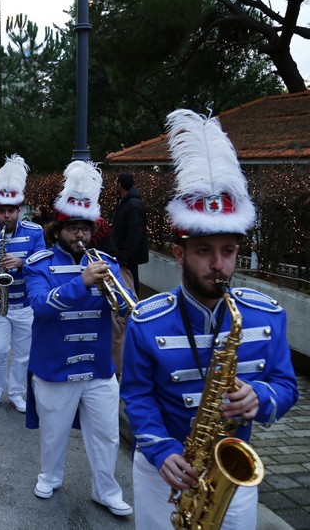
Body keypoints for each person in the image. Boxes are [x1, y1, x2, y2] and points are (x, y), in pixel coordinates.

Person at [120, 109, 298, 529]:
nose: (219, 265)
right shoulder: (146, 320)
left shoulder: (267, 315)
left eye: (228, 251)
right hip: (163, 471)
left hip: (232, 477)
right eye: (204, 251)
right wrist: (161, 450)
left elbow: (286, 385)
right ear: (180, 253)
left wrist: (262, 397)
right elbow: (137, 396)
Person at [23, 160, 134, 516]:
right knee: (54, 434)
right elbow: (40, 306)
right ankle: (50, 475)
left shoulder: (108, 263)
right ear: (57, 231)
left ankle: (106, 490)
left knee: (107, 435)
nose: (80, 236)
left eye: (85, 228)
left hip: (98, 366)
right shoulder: (37, 264)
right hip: (56, 366)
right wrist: (81, 282)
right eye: (73, 229)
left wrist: (122, 304)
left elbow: (122, 308)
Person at [0, 154, 45, 413]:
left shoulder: (36, 233)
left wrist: (23, 264)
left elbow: (46, 269)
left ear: (19, 210)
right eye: (1, 211)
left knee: (23, 355)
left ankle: (17, 392)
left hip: (26, 305)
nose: (6, 216)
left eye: (11, 211)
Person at [111, 172, 149, 295]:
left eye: (116, 182)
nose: (114, 185)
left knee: (130, 283)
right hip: (123, 255)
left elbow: (135, 234)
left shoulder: (133, 205)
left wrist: (126, 257)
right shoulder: (124, 202)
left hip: (128, 257)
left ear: (120, 185)